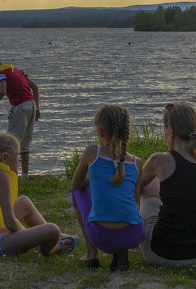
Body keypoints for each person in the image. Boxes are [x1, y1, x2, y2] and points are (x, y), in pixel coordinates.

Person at [0, 132, 78, 257]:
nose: (20, 158)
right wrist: (33, 237)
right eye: (17, 154)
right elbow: (11, 224)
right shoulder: (0, 176)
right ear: (4, 158)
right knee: (52, 230)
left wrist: (31, 235)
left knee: (24, 202)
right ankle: (47, 250)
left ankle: (59, 237)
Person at [134, 102, 196, 267]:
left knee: (149, 194)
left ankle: (132, 240)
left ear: (171, 131)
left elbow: (134, 187)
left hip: (165, 254)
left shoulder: (159, 160)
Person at [70, 104, 144, 271]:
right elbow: (136, 204)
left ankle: (91, 254)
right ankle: (121, 251)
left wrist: (95, 176)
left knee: (78, 192)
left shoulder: (91, 153)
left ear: (100, 132)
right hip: (134, 234)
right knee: (124, 206)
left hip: (102, 236)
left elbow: (75, 184)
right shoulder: (137, 163)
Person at [0, 57, 40, 177]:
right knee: (25, 144)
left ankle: (12, 175)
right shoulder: (18, 71)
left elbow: (2, 91)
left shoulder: (1, 74)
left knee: (10, 143)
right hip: (31, 105)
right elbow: (35, 87)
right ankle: (25, 175)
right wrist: (37, 108)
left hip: (20, 107)